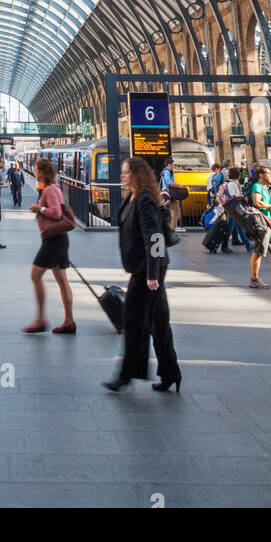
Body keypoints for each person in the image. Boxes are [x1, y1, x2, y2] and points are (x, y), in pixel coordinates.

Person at [104, 157, 179, 394]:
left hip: (147, 270)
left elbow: (155, 238)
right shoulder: (133, 197)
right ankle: (171, 372)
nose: (123, 176)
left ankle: (126, 375)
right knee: (159, 322)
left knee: (134, 321)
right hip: (146, 267)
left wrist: (152, 274)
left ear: (137, 175)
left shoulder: (145, 200)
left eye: (126, 173)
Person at [23, 158, 74, 334]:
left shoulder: (51, 190)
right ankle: (69, 321)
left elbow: (56, 213)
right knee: (62, 281)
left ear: (43, 172)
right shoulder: (54, 189)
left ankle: (40, 319)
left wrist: (39, 209)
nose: (35, 173)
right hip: (59, 239)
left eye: (37, 170)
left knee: (35, 275)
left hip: (53, 241)